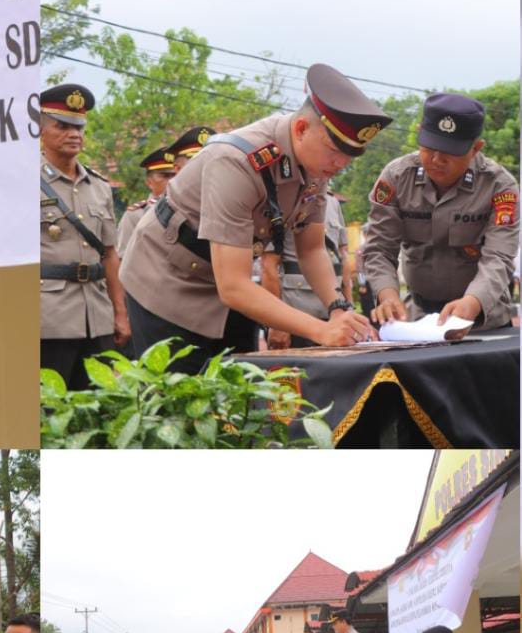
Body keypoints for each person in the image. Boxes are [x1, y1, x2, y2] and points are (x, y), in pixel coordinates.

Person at [120, 64, 390, 373]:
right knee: (179, 402)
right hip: (167, 282)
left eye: (350, 155)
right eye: (334, 150)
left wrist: (337, 308)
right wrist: (320, 330)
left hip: (228, 285)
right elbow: (233, 285)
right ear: (301, 129)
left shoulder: (315, 166)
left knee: (239, 399)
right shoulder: (236, 161)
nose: (341, 163)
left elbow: (311, 248)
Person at [366, 93, 519, 331]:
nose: (437, 160)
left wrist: (473, 302)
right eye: (429, 148)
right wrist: (387, 295)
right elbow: (379, 248)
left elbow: (499, 257)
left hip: (483, 321)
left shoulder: (499, 186)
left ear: (476, 148)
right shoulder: (396, 177)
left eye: (450, 152)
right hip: (415, 319)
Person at [39, 83, 130, 390]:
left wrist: (120, 312)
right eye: (62, 126)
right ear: (40, 130)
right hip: (48, 320)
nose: (74, 133)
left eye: (78, 126)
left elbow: (109, 254)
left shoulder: (100, 187)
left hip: (97, 316)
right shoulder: (23, 182)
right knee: (50, 413)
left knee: (96, 408)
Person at [264, 189, 352, 348]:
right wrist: (277, 324)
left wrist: (349, 306)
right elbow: (269, 265)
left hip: (334, 310)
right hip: (297, 313)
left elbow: (343, 256)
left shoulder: (332, 202)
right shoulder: (284, 198)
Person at [116, 147, 176, 257]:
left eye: (175, 175)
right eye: (165, 176)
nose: (171, 180)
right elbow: (123, 257)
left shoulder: (191, 209)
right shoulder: (135, 215)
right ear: (149, 182)